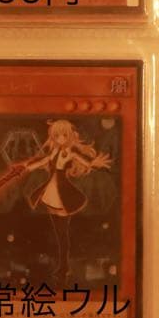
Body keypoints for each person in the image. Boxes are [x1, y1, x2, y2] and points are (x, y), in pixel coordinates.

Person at [24, 119, 112, 283]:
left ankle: (64, 267)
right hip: (52, 191)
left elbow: (85, 162)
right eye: (57, 135)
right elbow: (44, 161)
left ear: (70, 136)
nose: (60, 138)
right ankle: (62, 266)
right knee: (59, 234)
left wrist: (94, 163)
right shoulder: (55, 151)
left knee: (63, 234)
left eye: (64, 135)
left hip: (62, 192)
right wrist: (26, 167)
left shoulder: (69, 153)